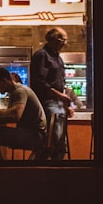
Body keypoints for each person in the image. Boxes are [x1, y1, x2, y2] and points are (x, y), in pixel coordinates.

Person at [29, 26, 74, 160]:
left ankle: (48, 168)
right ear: (55, 39)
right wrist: (60, 96)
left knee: (57, 142)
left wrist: (66, 104)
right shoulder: (42, 55)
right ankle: (50, 170)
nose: (65, 44)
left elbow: (60, 82)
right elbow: (40, 82)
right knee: (54, 141)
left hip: (57, 102)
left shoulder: (57, 58)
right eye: (63, 40)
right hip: (48, 102)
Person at [0, 66, 48, 160]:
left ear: (5, 81)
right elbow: (13, 114)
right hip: (33, 133)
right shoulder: (15, 91)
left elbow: (16, 114)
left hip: (34, 136)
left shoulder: (19, 91)